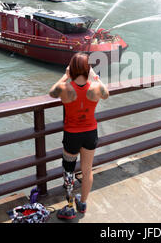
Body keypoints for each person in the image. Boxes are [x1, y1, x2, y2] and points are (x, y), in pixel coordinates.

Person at [49, 52, 109, 219]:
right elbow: (106, 94)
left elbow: (51, 92)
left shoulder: (65, 88)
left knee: (69, 171)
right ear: (87, 69)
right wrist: (95, 76)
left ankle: (69, 208)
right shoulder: (96, 88)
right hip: (90, 133)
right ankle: (82, 203)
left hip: (71, 135)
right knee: (87, 169)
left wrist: (65, 75)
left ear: (72, 70)